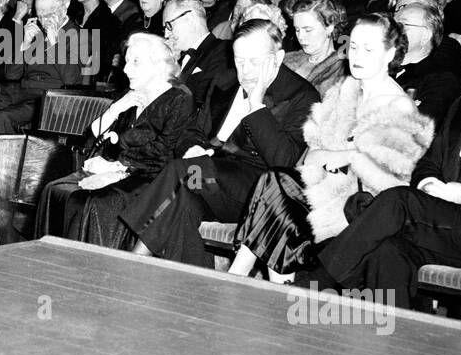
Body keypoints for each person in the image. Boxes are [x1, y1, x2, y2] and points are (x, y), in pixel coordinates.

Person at [296, 18, 461, 305]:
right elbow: (428, 162)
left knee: (398, 200)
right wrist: (428, 184)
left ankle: (312, 284)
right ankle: (386, 338)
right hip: (440, 220)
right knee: (388, 250)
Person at [228, 14, 434, 280]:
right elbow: (309, 157)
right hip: (319, 189)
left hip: (358, 210)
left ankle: (240, 276)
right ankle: (272, 281)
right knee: (277, 186)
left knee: (278, 190)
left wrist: (342, 159)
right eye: (354, 47)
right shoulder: (343, 92)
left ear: (390, 53)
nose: (357, 56)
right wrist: (351, 155)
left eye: (368, 49)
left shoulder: (399, 108)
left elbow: (383, 187)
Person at [123, 19, 319, 269]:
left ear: (278, 57)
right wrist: (191, 147)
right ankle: (190, 288)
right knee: (183, 202)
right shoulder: (224, 80)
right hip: (209, 182)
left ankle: (131, 263)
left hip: (254, 191)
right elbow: (193, 129)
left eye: (255, 62)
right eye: (239, 61)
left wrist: (257, 105)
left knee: (179, 172)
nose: (246, 71)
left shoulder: (302, 95)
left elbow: (284, 162)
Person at [35, 34, 195, 247]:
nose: (127, 69)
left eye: (135, 62)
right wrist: (115, 109)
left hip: (150, 178)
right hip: (115, 169)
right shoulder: (131, 93)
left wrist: (118, 170)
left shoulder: (179, 98)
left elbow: (164, 150)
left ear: (158, 65)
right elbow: (92, 136)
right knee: (55, 190)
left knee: (96, 203)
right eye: (127, 62)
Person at [392, 0, 461, 126]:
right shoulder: (381, 65)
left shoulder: (441, 80)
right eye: (393, 24)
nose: (392, 31)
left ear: (426, 35)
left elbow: (417, 128)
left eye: (403, 25)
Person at [162, 0, 234, 108]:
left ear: (190, 18)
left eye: (169, 25)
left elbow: (203, 102)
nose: (166, 34)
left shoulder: (223, 51)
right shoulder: (178, 59)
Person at [284, 0, 346, 96]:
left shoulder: (342, 71)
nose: (301, 37)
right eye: (297, 30)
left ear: (329, 27)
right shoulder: (287, 60)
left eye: (308, 30)